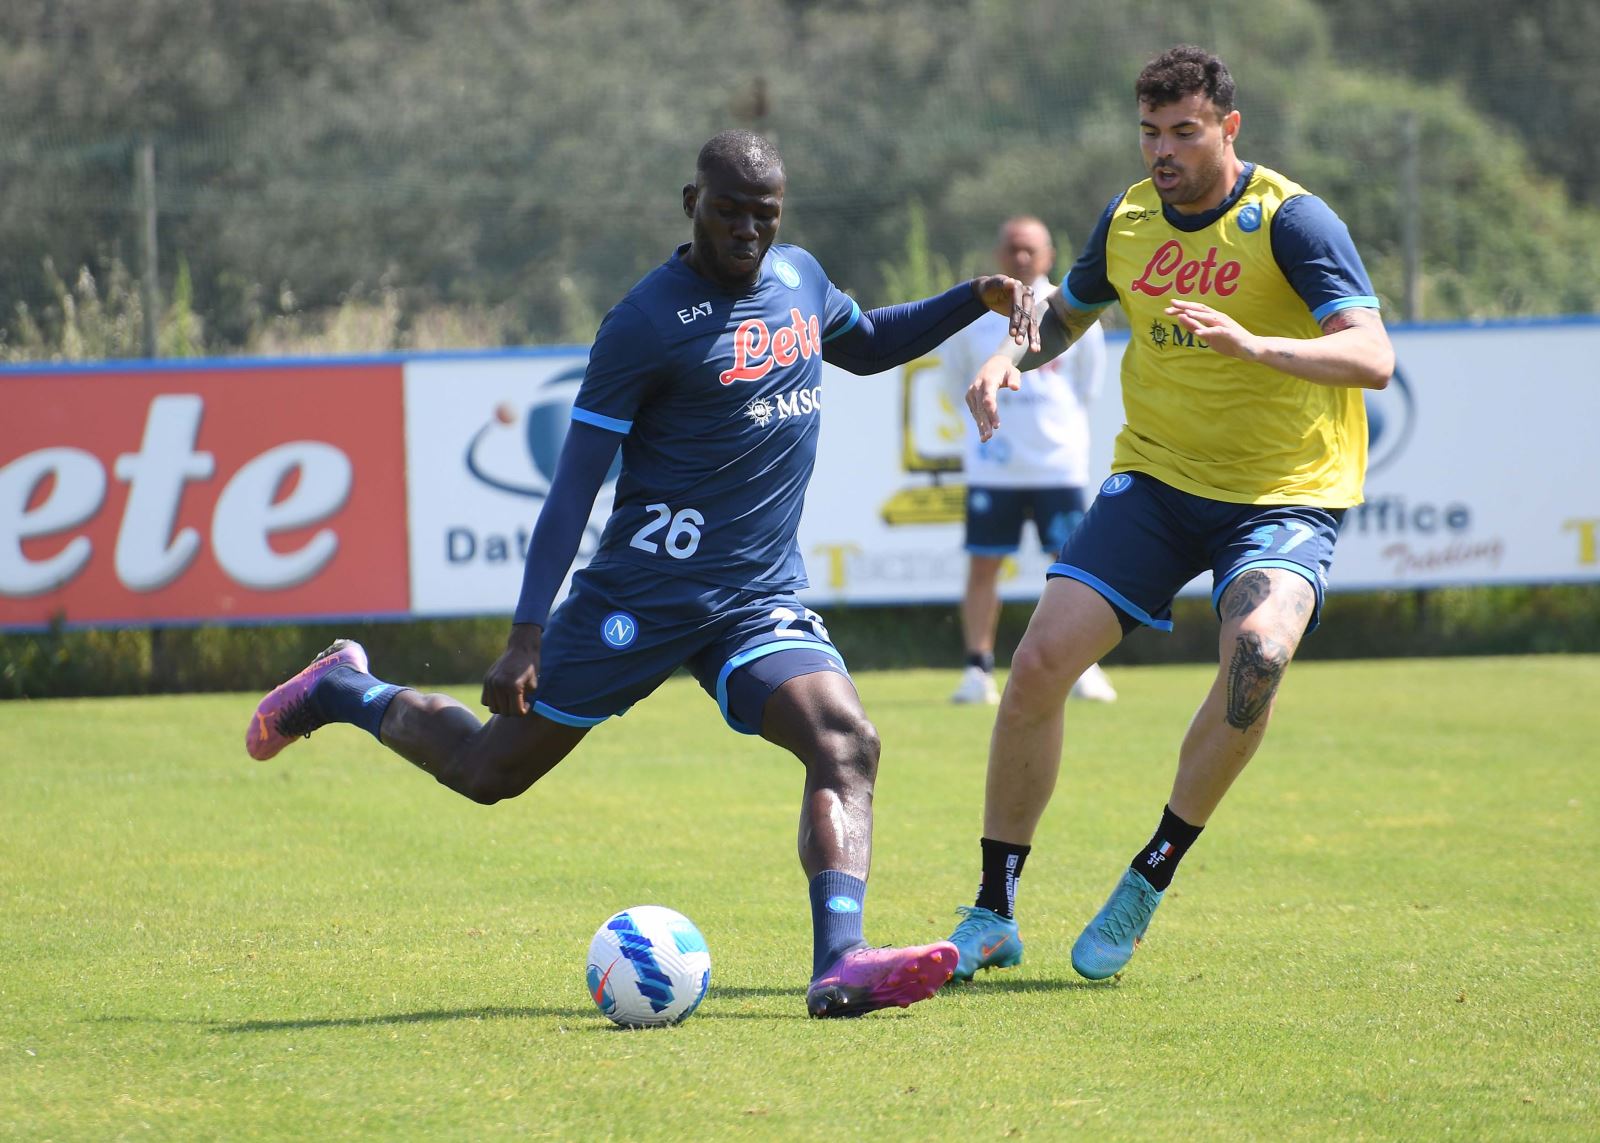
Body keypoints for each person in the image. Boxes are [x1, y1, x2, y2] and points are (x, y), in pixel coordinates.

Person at [245, 130, 1039, 1019]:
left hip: (753, 600)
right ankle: (344, 686)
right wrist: (525, 632)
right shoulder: (645, 322)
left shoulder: (800, 278)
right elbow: (574, 484)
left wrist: (972, 297)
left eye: (764, 216)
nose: (747, 230)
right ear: (690, 202)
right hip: (638, 598)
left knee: (846, 740)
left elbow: (862, 343)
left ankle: (840, 961)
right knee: (485, 770)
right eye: (730, 210)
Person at [945, 45, 1393, 984]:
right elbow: (1064, 313)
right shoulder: (1130, 216)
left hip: (1282, 497)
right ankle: (992, 908)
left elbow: (1373, 356)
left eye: (1184, 132)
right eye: (1150, 132)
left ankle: (1152, 873)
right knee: (1035, 665)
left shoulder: (1293, 221)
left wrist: (1257, 345)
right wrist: (1006, 356)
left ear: (1228, 128)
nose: (1163, 151)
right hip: (1156, 483)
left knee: (1257, 657)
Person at [945, 215, 1116, 707]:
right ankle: (978, 670)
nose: (1021, 257)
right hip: (992, 466)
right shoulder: (976, 315)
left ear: (1048, 255)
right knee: (983, 567)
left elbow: (1087, 388)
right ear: (1000, 254)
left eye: (1031, 249)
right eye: (1013, 249)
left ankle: (1083, 667)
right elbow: (955, 380)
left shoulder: (1071, 309)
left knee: (1072, 569)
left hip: (1056, 466)